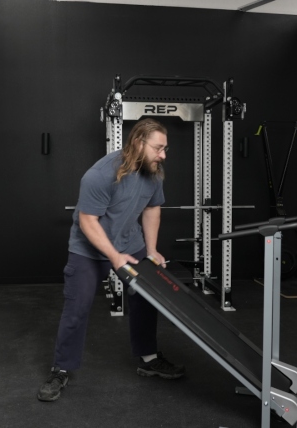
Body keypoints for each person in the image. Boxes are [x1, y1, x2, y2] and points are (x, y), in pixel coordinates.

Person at [37, 118, 185, 402]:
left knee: (147, 297)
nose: (163, 155)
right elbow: (87, 221)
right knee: (77, 306)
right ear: (139, 143)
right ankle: (61, 369)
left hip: (131, 243)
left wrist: (151, 250)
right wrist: (115, 256)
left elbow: (153, 209)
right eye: (158, 148)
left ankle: (149, 359)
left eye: (165, 148)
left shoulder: (154, 171)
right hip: (88, 248)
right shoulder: (100, 174)